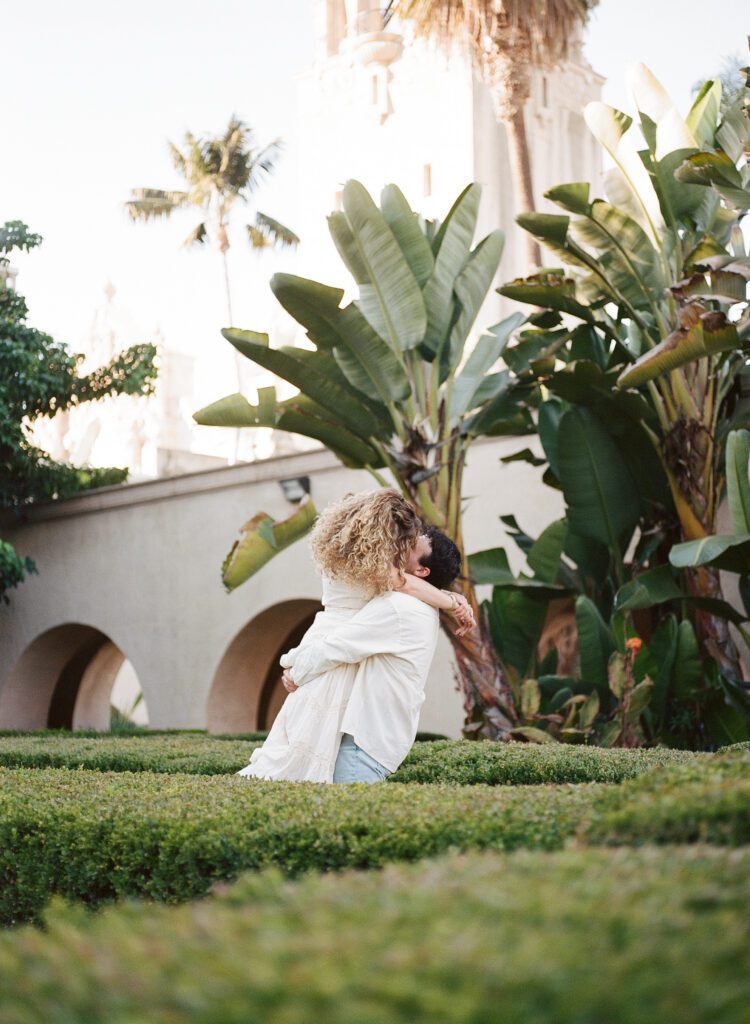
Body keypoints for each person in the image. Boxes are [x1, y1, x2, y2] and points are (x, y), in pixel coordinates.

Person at [237, 491, 473, 783]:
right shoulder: (380, 571)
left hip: (334, 640)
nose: (402, 545)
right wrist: (452, 602)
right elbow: (405, 585)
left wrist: (298, 664)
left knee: (305, 752)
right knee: (307, 754)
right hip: (338, 647)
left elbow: (408, 587)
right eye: (404, 539)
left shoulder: (350, 552)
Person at [281, 525, 464, 784]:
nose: (401, 544)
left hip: (362, 749)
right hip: (371, 744)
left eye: (412, 546)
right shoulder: (416, 605)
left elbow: (338, 645)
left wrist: (294, 670)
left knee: (347, 822)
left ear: (422, 571)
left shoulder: (400, 607)